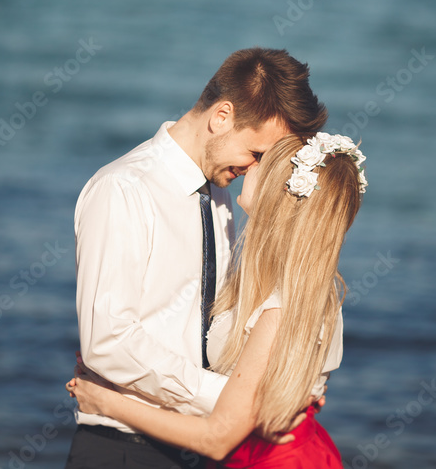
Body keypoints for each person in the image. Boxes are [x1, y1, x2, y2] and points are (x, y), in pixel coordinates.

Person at [64, 48, 328, 469]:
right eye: (257, 153)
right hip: (125, 448)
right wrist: (227, 399)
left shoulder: (221, 193)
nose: (257, 169)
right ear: (221, 117)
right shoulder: (123, 191)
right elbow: (108, 341)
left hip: (201, 447)